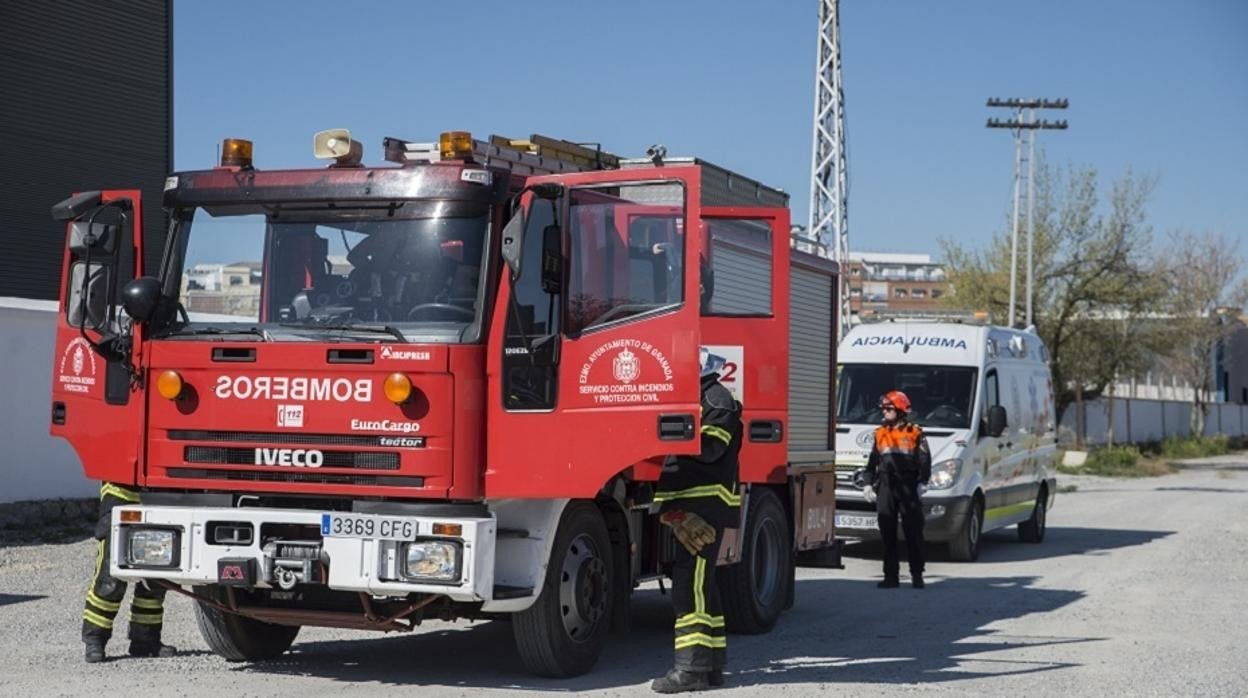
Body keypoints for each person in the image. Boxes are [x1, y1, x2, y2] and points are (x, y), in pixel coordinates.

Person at [649, 347, 743, 693]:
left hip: (705, 506)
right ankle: (712, 667)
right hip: (693, 506)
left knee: (690, 590)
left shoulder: (717, 401)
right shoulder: (706, 399)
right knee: (703, 587)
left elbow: (711, 448)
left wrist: (664, 431)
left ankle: (690, 671)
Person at [82, 482, 176, 663]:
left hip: (158, 492)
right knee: (110, 579)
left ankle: (145, 640)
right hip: (121, 491)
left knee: (155, 574)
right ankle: (95, 640)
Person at [855, 390, 931, 589]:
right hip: (886, 487)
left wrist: (923, 482)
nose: (885, 412)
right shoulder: (879, 433)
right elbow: (872, 462)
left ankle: (917, 574)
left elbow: (924, 460)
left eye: (889, 408)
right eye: (884, 408)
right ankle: (891, 576)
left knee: (913, 532)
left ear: (900, 409)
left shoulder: (915, 432)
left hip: (908, 486)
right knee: (887, 532)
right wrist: (868, 483)